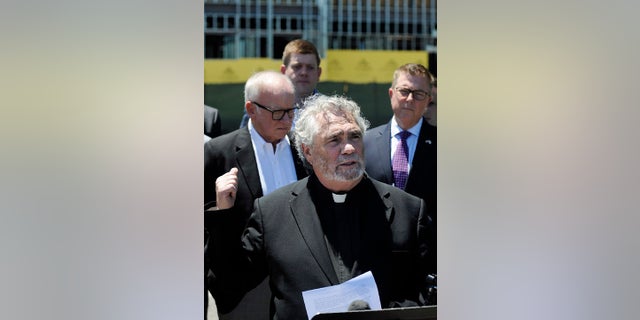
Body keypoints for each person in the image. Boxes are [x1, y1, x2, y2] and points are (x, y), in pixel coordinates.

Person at [207, 95, 433, 320]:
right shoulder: (272, 212)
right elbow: (230, 285)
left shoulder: (408, 210)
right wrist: (224, 214)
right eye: (334, 140)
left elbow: (429, 291)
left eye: (354, 136)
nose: (348, 148)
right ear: (308, 152)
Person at [204, 71, 309, 319]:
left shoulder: (303, 151)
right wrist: (219, 208)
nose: (287, 120)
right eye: (278, 112)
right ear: (251, 109)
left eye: (291, 111)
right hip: (244, 288)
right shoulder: (218, 152)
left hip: (297, 283)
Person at [363, 63, 437, 274]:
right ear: (391, 93)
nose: (410, 99)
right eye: (404, 91)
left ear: (428, 100)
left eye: (418, 93)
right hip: (374, 258)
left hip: (427, 262)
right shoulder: (365, 143)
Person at [239, 39, 322, 128]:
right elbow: (245, 140)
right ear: (283, 71)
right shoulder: (261, 107)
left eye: (310, 67)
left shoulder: (331, 111)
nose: (304, 73)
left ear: (319, 73)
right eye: (297, 67)